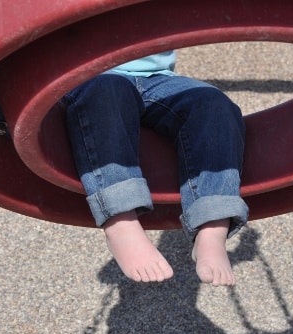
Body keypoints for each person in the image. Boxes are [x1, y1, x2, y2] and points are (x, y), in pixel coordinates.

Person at [62, 50, 248, 286]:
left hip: (158, 78)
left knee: (213, 104)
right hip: (89, 75)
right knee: (106, 93)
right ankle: (120, 222)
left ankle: (212, 228)